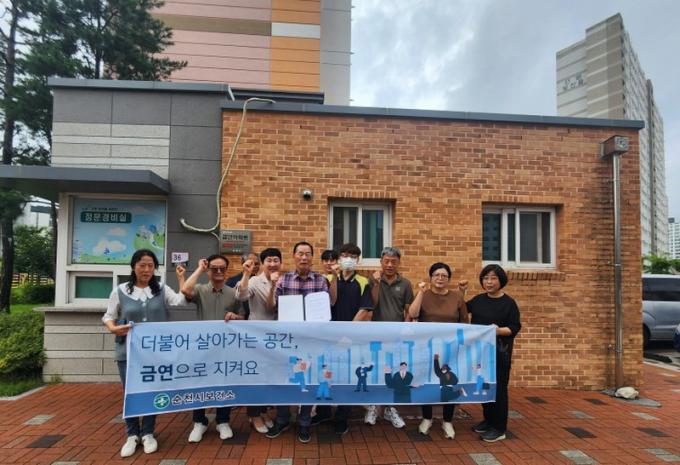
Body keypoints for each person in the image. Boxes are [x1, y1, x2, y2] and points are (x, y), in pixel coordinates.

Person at [102, 249, 187, 458]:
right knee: (130, 392)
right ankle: (132, 434)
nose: (146, 269)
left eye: (150, 266)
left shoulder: (161, 289)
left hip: (154, 354)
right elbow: (109, 316)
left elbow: (180, 301)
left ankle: (148, 432)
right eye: (142, 265)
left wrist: (181, 278)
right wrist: (113, 328)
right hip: (127, 352)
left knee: (151, 390)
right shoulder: (121, 290)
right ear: (133, 266)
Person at [265, 241, 336, 443]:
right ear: (294, 256)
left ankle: (304, 421)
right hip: (287, 340)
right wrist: (272, 285)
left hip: (312, 340)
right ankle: (282, 419)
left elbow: (329, 305)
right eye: (300, 253)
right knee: (285, 379)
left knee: (309, 380)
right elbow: (271, 307)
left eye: (307, 254)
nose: (304, 257)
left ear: (312, 257)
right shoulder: (283, 279)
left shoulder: (320, 280)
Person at [181, 254, 245, 443]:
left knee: (224, 383)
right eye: (214, 268)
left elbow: (243, 317)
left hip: (226, 348)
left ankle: (222, 421)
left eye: (222, 269)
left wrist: (235, 317)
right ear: (208, 270)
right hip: (202, 347)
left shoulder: (233, 292)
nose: (218, 271)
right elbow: (185, 290)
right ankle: (199, 421)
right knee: (200, 383)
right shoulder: (200, 289)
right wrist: (199, 269)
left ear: (226, 271)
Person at [313, 243, 372, 434]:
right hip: (327, 338)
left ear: (358, 260)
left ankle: (342, 417)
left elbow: (365, 309)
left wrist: (347, 334)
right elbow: (323, 305)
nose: (349, 259)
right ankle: (322, 412)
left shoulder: (363, 282)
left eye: (353, 256)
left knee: (346, 376)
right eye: (345, 255)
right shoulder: (327, 279)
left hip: (350, 339)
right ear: (338, 259)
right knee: (324, 375)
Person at [408, 262, 469, 439]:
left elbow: (465, 322)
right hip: (426, 348)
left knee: (448, 382)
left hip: (451, 349)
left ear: (448, 279)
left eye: (444, 275)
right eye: (436, 275)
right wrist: (420, 292)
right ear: (431, 277)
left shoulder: (457, 297)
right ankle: (427, 418)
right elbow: (413, 314)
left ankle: (447, 420)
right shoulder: (424, 294)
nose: (440, 278)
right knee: (427, 382)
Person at [466, 264, 521, 442]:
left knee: (498, 390)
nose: (489, 282)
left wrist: (497, 331)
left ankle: (499, 428)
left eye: (493, 278)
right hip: (480, 353)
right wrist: (461, 291)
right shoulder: (478, 300)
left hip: (499, 353)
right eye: (486, 278)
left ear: (501, 281)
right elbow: (460, 310)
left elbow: (514, 327)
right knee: (484, 387)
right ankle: (488, 420)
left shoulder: (508, 303)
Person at [365, 246, 414, 428]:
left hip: (396, 336)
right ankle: (373, 406)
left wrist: (405, 330)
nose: (390, 265)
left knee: (393, 371)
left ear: (399, 263)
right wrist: (377, 283)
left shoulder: (406, 284)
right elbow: (371, 304)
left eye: (394, 261)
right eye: (386, 261)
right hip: (375, 335)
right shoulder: (372, 281)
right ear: (381, 262)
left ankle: (390, 408)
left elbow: (409, 310)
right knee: (375, 371)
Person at [234, 248, 282, 433]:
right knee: (255, 376)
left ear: (281, 262)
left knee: (269, 376)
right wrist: (246, 274)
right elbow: (241, 295)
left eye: (276, 260)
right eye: (268, 260)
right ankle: (253, 415)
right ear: (262, 264)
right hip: (256, 336)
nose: (272, 264)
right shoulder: (254, 281)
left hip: (276, 337)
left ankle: (262, 411)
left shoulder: (284, 280)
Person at [226, 252, 260, 320]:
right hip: (238, 320)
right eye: (250, 264)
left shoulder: (260, 282)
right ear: (243, 263)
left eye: (256, 264)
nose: (253, 266)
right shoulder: (232, 281)